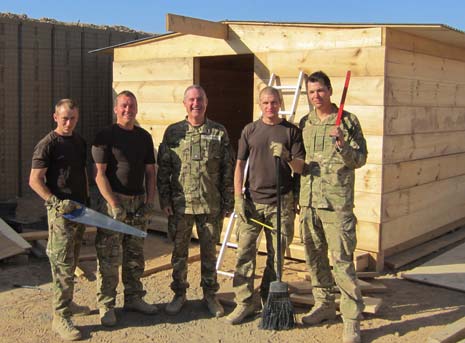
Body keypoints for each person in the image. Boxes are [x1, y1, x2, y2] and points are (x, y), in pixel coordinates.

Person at [225, 86, 305, 325]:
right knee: (244, 254)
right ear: (260, 105)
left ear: (280, 102)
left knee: (276, 256)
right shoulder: (250, 130)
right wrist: (238, 198)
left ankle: (269, 299)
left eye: (274, 102)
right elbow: (239, 165)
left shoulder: (291, 131)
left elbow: (301, 167)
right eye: (265, 103)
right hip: (252, 203)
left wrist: (288, 157)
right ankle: (244, 303)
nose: (270, 107)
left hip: (282, 203)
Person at [299, 71, 368, 343]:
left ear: (330, 90)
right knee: (314, 258)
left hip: (337, 205)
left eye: (321, 90)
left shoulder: (348, 121)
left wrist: (342, 145)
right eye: (312, 92)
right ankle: (325, 304)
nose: (317, 96)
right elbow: (302, 163)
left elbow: (359, 159)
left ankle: (351, 319)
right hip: (310, 202)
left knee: (341, 261)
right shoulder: (305, 123)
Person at [157, 85, 234, 318]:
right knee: (179, 254)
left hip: (210, 205)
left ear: (206, 102)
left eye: (199, 99)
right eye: (191, 100)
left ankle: (210, 295)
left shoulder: (219, 132)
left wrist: (228, 202)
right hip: (181, 205)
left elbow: (226, 170)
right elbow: (164, 169)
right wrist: (165, 199)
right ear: (184, 104)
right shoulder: (173, 133)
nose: (195, 103)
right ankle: (179, 294)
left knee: (209, 253)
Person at [92, 90, 158, 327]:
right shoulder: (105, 135)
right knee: (109, 258)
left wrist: (149, 202)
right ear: (115, 109)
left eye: (131, 106)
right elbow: (99, 174)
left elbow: (151, 172)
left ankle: (133, 298)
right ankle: (106, 305)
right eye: (123, 106)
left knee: (134, 256)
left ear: (136, 109)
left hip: (138, 203)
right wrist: (114, 203)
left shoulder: (143, 137)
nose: (127, 110)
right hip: (113, 204)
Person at [29, 99, 90, 341]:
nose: (68, 122)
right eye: (64, 118)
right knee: (63, 265)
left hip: (79, 210)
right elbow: (34, 180)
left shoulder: (79, 142)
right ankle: (60, 317)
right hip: (61, 215)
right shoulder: (47, 144)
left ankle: (68, 303)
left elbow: (82, 173)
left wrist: (86, 199)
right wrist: (55, 203)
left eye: (72, 118)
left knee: (72, 260)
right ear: (55, 117)